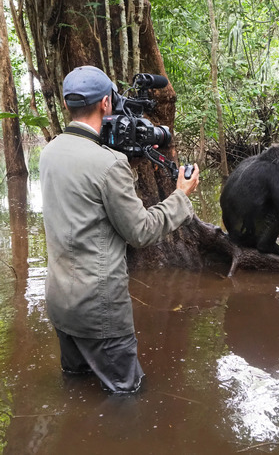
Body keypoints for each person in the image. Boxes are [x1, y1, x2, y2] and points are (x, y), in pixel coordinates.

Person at [39, 65, 200, 393]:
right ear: (105, 104)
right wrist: (181, 196)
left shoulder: (49, 152)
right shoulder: (109, 164)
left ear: (68, 104)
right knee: (127, 394)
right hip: (99, 309)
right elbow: (140, 231)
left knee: (77, 384)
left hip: (60, 302)